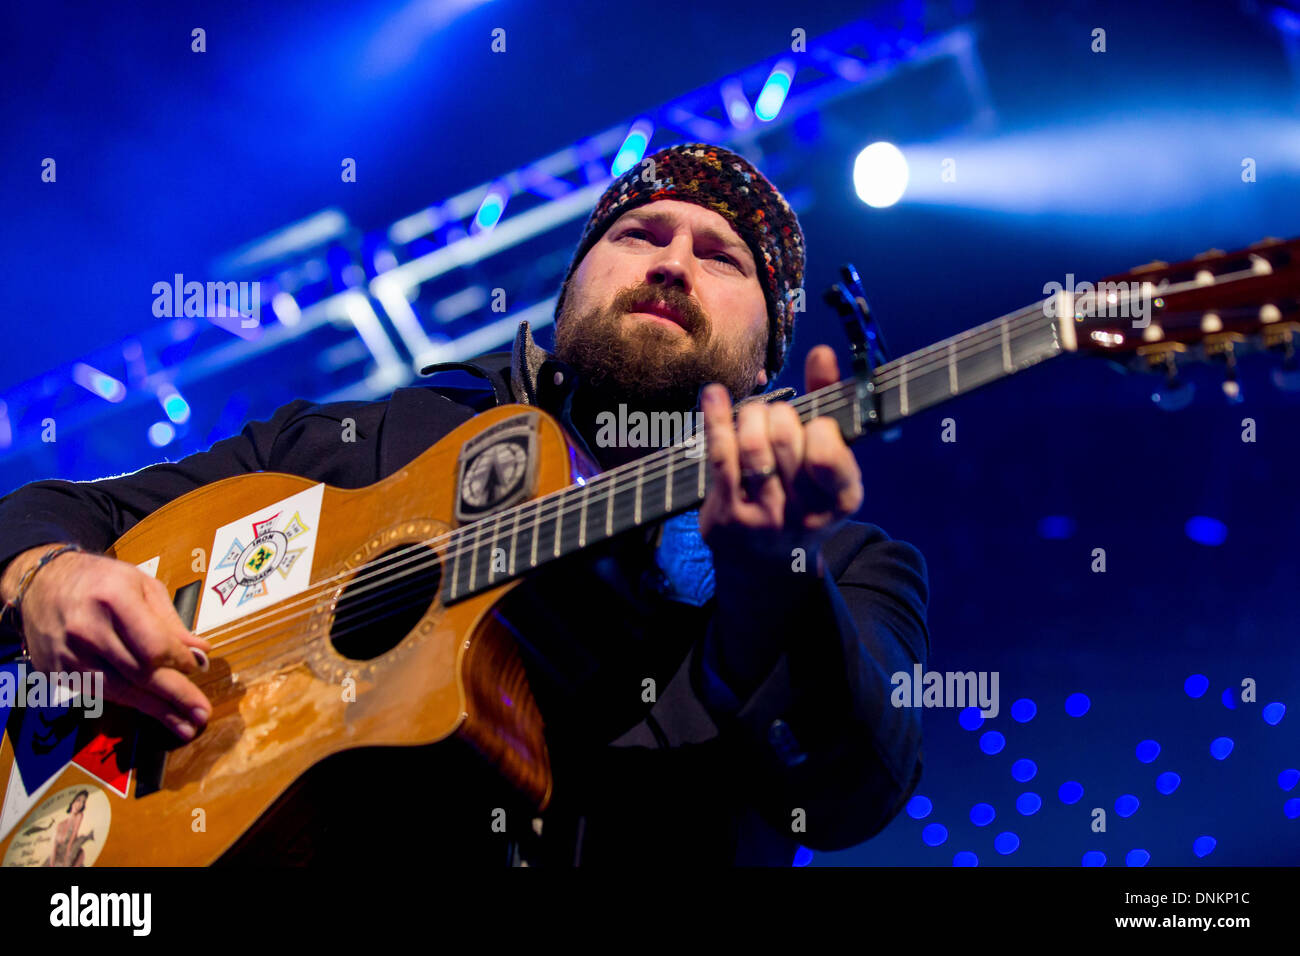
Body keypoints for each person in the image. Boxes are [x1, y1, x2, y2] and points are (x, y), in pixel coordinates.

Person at [0, 143, 929, 866]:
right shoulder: (361, 443)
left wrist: (773, 577)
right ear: (572, 289)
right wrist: (46, 577)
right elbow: (60, 512)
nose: (672, 264)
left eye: (723, 257)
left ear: (768, 357)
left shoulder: (849, 564)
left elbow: (850, 794)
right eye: (638, 235)